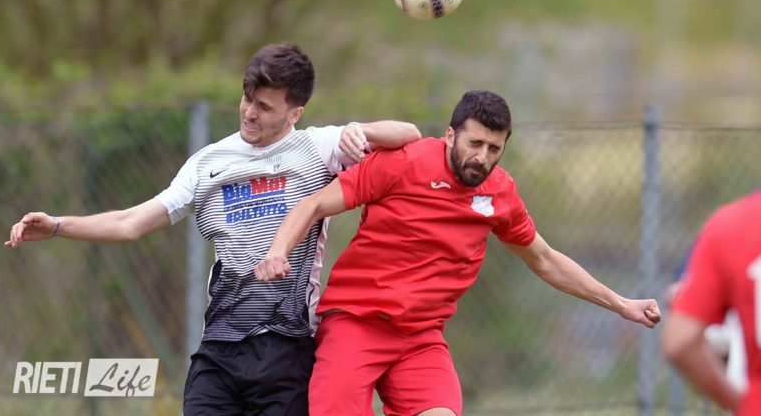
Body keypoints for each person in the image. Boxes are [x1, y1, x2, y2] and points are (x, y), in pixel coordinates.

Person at [4, 42, 421, 416]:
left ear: (295, 113)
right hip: (219, 350)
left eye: (265, 107)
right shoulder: (208, 163)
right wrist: (59, 225)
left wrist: (361, 130)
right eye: (247, 98)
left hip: (288, 348)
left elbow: (410, 135)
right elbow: (131, 222)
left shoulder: (319, 147)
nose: (249, 113)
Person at [255, 89, 662, 416]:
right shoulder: (402, 163)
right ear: (450, 135)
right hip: (355, 323)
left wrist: (621, 304)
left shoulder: (499, 193)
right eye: (475, 143)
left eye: (494, 148)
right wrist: (277, 251)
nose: (482, 157)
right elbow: (313, 204)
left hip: (420, 338)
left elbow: (544, 259)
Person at [662, 191, 761, 416]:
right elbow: (678, 291)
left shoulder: (733, 224)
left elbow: (680, 339)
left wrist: (740, 404)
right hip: (728, 333)